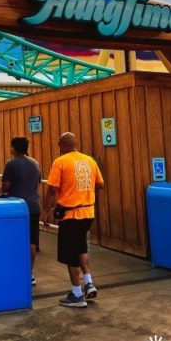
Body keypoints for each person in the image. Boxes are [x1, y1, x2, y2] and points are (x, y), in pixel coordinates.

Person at [40, 132, 104, 308]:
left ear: (62, 145)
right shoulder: (90, 161)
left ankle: (77, 294)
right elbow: (100, 184)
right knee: (81, 247)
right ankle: (89, 282)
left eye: (59, 145)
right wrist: (85, 194)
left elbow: (52, 189)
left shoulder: (60, 162)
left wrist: (46, 211)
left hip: (70, 214)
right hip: (88, 213)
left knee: (70, 255)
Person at [0, 136, 42, 286]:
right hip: (34, 205)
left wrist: (4, 188)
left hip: (16, 206)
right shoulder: (35, 163)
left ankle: (15, 270)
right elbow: (38, 181)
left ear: (13, 148)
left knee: (14, 239)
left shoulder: (11, 164)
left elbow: (6, 184)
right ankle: (29, 274)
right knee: (32, 241)